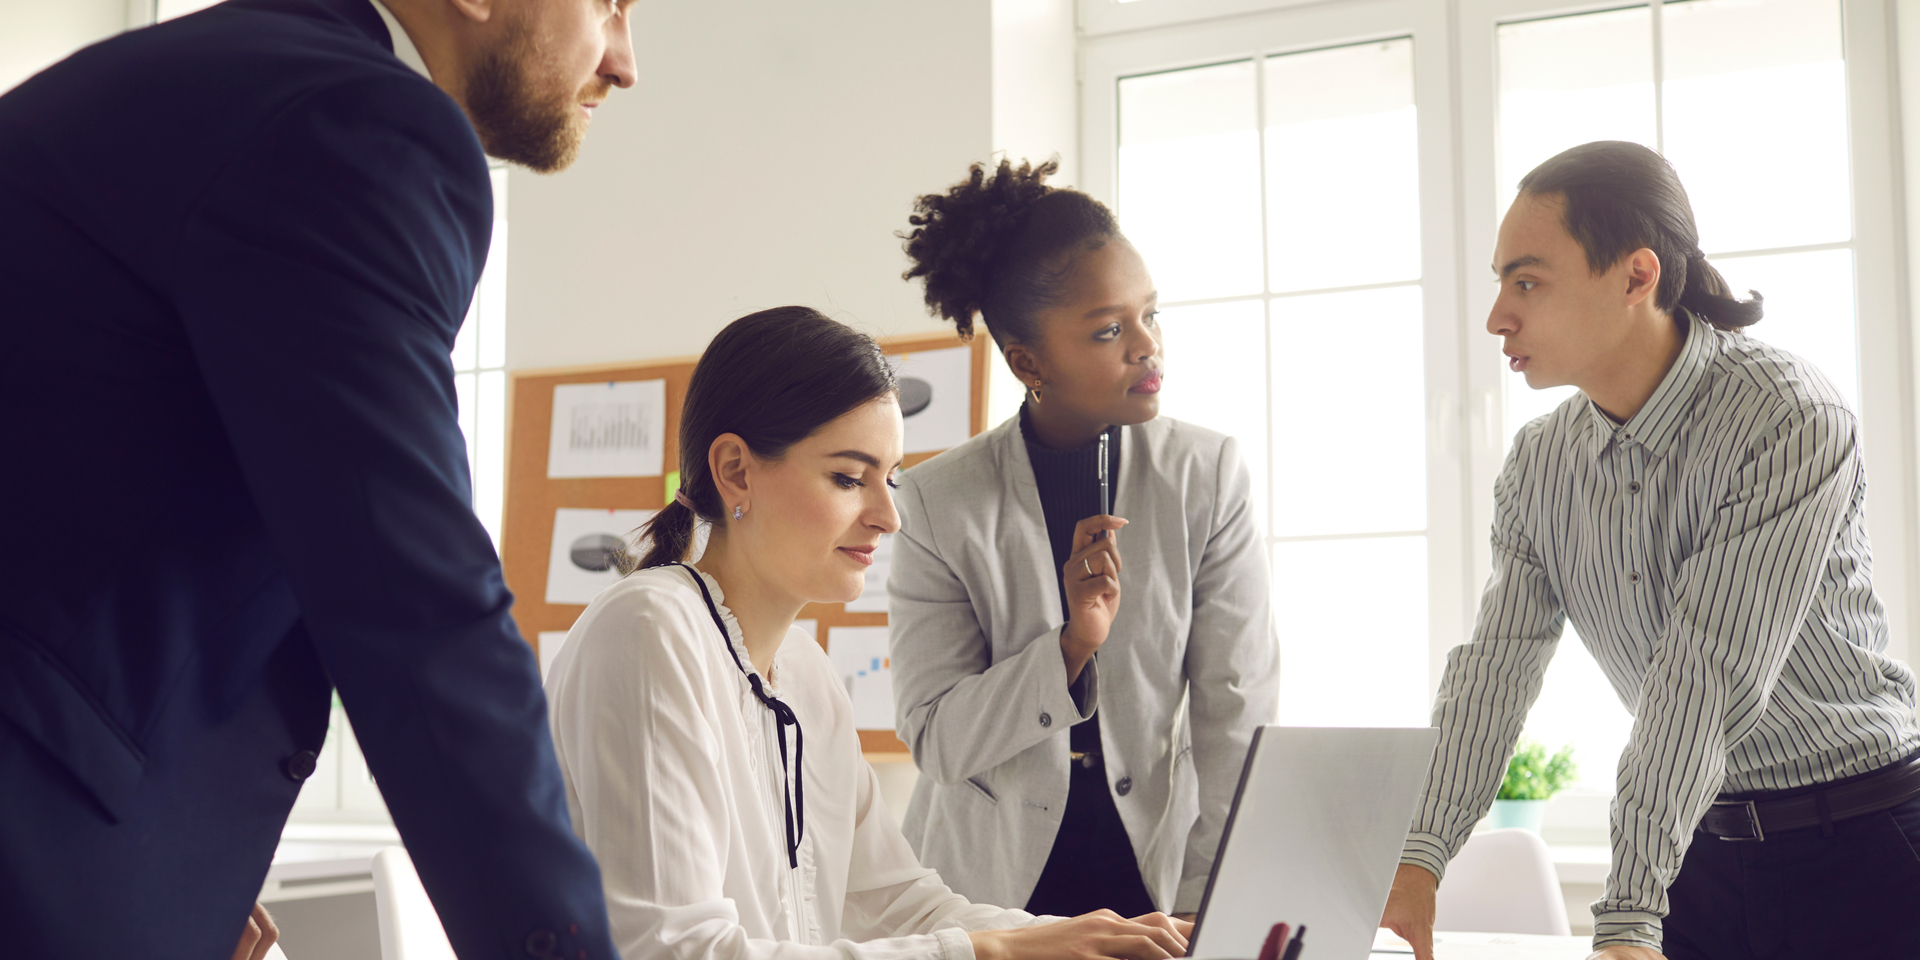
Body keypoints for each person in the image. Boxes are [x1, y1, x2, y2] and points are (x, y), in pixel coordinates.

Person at [0, 0, 637, 956]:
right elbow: (417, 611)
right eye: (613, 5)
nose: (625, 63)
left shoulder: (225, 74)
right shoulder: (361, 122)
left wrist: (184, 864)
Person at [1379, 141, 1920, 960]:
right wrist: (1419, 858)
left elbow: (1705, 672)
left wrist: (1628, 914)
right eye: (1499, 281)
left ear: (1637, 277)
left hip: (1863, 844)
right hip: (1700, 852)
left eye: (1526, 281)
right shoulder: (1539, 465)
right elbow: (1495, 667)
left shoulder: (1786, 417)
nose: (1497, 315)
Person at [544, 306, 1193, 960]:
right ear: (736, 470)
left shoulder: (803, 671)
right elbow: (672, 951)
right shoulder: (650, 630)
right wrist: (992, 953)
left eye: (890, 480)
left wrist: (1074, 935)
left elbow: (892, 900)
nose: (888, 517)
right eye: (849, 478)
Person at [886, 159, 1280, 920]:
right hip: (989, 895)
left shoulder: (1207, 475)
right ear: (1028, 360)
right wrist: (1067, 651)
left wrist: (1214, 909)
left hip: (1155, 879)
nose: (1147, 346)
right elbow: (938, 741)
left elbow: (1238, 712)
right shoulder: (938, 502)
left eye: (1150, 314)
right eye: (1108, 329)